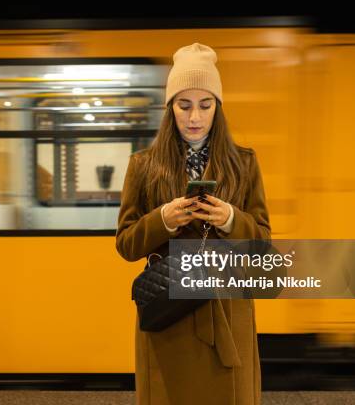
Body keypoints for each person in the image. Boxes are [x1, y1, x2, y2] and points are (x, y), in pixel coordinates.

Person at [116, 43, 271, 405]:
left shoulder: (244, 164)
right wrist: (162, 221)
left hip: (227, 313)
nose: (195, 117)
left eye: (206, 104)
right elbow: (125, 245)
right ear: (170, 108)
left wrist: (231, 219)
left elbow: (263, 243)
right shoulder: (143, 165)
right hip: (169, 313)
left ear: (218, 107)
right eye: (184, 105)